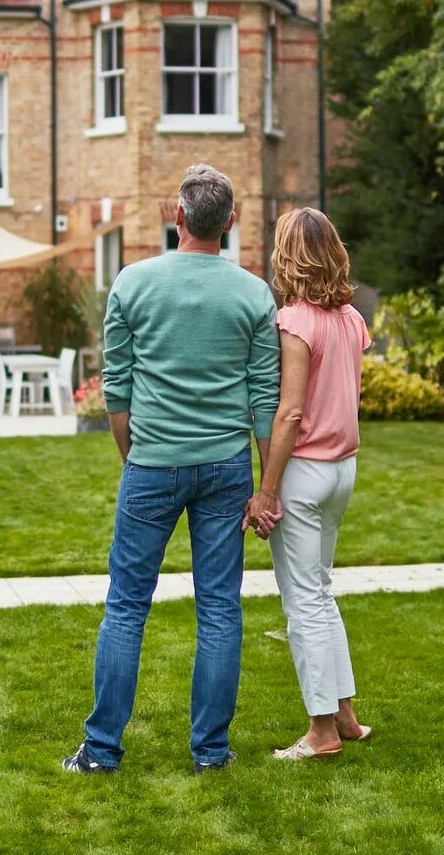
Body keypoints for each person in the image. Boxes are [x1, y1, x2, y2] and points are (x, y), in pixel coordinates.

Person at [62, 164, 281, 775]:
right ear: (230, 223)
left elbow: (117, 389)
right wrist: (266, 486)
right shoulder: (253, 293)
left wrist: (133, 456)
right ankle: (211, 753)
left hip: (153, 465)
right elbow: (266, 398)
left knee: (127, 605)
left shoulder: (132, 283)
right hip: (226, 467)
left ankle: (101, 752)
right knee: (219, 608)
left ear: (177, 218)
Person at [247, 206, 372, 761]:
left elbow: (290, 413)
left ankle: (321, 731)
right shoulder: (350, 319)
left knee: (304, 603)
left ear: (288, 255)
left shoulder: (296, 320)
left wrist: (266, 491)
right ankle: (345, 715)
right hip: (343, 470)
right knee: (321, 591)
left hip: (305, 473)